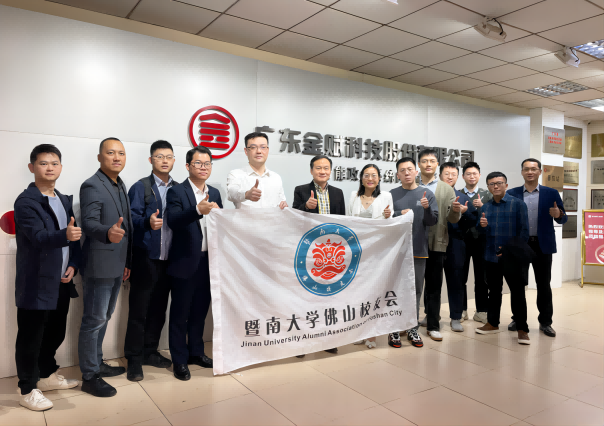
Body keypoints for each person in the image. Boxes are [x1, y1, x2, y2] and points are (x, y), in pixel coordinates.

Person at [13, 144, 81, 411]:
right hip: (36, 282)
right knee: (30, 337)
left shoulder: (63, 199)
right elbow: (39, 237)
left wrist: (73, 264)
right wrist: (65, 235)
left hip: (61, 281)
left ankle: (46, 375)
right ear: (32, 167)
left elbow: (73, 238)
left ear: (61, 167)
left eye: (54, 163)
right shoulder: (26, 201)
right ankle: (27, 389)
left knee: (55, 332)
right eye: (43, 163)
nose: (49, 168)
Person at [79, 137, 133, 397]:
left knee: (105, 317)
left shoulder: (120, 184)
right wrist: (106, 232)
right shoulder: (92, 184)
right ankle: (89, 376)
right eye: (110, 153)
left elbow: (127, 227)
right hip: (99, 264)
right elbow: (89, 223)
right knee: (94, 320)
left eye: (121, 153)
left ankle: (98, 362)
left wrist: (128, 261)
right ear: (100, 157)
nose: (116, 157)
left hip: (117, 263)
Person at [166, 146, 221, 381]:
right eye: (198, 163)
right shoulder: (176, 191)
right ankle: (179, 360)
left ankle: (196, 352)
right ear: (188, 166)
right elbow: (173, 221)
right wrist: (198, 210)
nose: (203, 167)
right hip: (185, 261)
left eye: (207, 163)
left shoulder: (215, 192)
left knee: (200, 311)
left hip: (209, 261)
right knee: (180, 314)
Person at [124, 140, 178, 381]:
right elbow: (130, 219)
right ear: (150, 160)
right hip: (146, 257)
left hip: (170, 259)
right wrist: (147, 222)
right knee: (139, 311)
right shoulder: (141, 187)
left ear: (174, 160)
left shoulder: (179, 188)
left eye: (168, 157)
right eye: (159, 157)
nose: (164, 161)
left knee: (158, 310)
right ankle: (134, 359)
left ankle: (150, 352)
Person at [506, 158, 567, 337]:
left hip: (542, 244)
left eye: (533, 169)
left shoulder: (551, 193)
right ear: (522, 172)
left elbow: (563, 218)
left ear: (540, 171)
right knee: (518, 285)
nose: (530, 172)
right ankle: (518, 319)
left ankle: (546, 322)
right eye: (526, 169)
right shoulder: (512, 193)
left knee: (543, 284)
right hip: (520, 245)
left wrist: (558, 214)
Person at [292, 154, 345, 356]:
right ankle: (302, 340)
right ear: (311, 170)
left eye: (326, 168)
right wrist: (306, 207)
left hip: (332, 251)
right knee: (306, 295)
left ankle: (326, 339)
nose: (322, 171)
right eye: (318, 168)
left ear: (330, 171)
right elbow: (294, 216)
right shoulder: (301, 190)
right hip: (309, 250)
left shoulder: (338, 193)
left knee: (328, 295)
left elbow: (343, 221)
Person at [475, 172, 531, 345]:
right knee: (493, 292)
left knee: (517, 292)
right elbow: (480, 231)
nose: (496, 186)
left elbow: (524, 232)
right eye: (492, 184)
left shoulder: (518, 204)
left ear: (506, 185)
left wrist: (510, 250)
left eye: (499, 183)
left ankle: (522, 329)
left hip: (512, 257)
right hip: (491, 256)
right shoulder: (485, 207)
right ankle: (492, 323)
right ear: (488, 187)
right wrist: (482, 226)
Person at [390, 157, 438, 349]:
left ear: (416, 172)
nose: (407, 173)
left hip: (418, 250)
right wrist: (397, 214)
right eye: (403, 170)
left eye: (410, 169)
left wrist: (426, 208)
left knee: (415, 291)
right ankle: (394, 328)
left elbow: (432, 221)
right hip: (395, 252)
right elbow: (385, 219)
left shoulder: (427, 194)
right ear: (397, 175)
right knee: (394, 289)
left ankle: (412, 327)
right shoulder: (391, 194)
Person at [417, 149, 461, 342]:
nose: (428, 164)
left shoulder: (446, 188)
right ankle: (408, 323)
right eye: (424, 161)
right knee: (413, 287)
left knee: (434, 286)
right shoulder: (412, 185)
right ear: (419, 164)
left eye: (432, 161)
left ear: (437, 165)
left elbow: (452, 218)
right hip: (414, 243)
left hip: (437, 242)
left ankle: (433, 325)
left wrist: (456, 210)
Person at [347, 163, 392, 348]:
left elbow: (389, 224)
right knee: (358, 292)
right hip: (358, 252)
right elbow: (348, 221)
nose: (370, 178)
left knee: (374, 291)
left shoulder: (386, 196)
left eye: (374, 175)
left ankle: (372, 334)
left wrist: (389, 215)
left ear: (379, 178)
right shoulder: (353, 195)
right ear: (361, 178)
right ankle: (359, 331)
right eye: (366, 175)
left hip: (377, 252)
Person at [439, 162, 476, 332]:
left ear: (457, 177)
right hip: (435, 243)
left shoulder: (463, 197)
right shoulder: (432, 195)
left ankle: (456, 316)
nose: (450, 177)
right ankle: (431, 315)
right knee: (433, 282)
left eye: (453, 174)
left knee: (456, 281)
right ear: (440, 175)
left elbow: (473, 222)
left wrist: (465, 212)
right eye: (447, 174)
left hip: (456, 244)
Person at [459, 161, 492, 324]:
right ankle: (461, 310)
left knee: (482, 277)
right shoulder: (457, 193)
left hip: (482, 241)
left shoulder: (487, 194)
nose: (472, 176)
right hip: (461, 240)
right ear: (463, 176)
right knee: (461, 276)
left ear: (479, 175)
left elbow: (494, 215)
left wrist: (483, 206)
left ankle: (481, 311)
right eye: (468, 174)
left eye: (475, 173)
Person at [227, 132, 287, 210]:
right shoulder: (236, 174)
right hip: (246, 218)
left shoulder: (276, 177)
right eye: (253, 147)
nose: (259, 151)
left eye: (263, 147)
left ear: (267, 150)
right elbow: (231, 194)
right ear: (246, 151)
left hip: (272, 218)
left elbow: (281, 201)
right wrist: (246, 194)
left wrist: (283, 205)